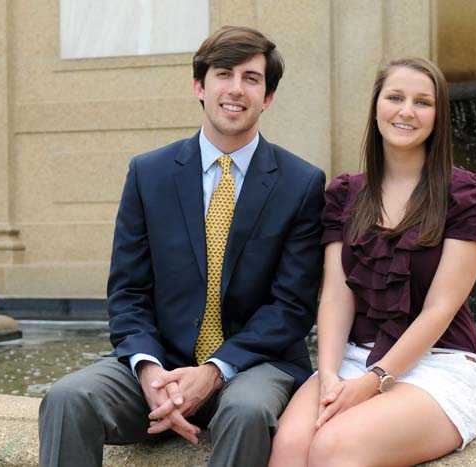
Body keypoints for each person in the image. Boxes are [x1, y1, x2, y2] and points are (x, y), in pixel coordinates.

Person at [38, 26, 326, 467]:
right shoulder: (148, 173)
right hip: (161, 367)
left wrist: (212, 372)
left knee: (246, 411)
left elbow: (291, 306)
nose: (235, 89)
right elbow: (128, 292)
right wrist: (150, 370)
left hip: (253, 368)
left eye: (251, 78)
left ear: (267, 97)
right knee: (67, 397)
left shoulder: (302, 183)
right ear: (199, 86)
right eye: (223, 74)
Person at [269, 57, 476, 467]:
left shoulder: (466, 195)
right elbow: (337, 296)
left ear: (438, 115)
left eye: (422, 102)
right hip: (354, 358)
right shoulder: (345, 194)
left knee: (333, 447)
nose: (407, 111)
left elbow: (440, 310)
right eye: (395, 97)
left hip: (439, 364)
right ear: (377, 106)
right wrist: (329, 375)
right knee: (288, 448)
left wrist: (374, 382)